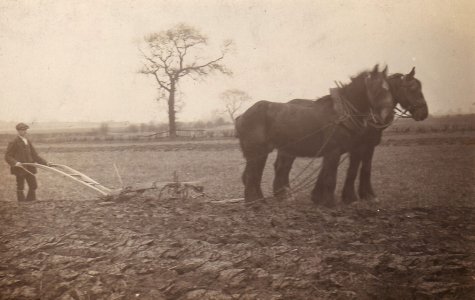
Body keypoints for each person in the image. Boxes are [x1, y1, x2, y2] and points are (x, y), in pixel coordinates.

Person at [4, 123, 51, 202]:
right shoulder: (14, 142)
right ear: (18, 131)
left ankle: (30, 202)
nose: (25, 132)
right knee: (20, 186)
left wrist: (46, 163)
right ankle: (21, 204)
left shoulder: (27, 141)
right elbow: (7, 156)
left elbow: (35, 155)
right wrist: (15, 163)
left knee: (33, 185)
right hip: (20, 168)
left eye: (26, 130)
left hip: (30, 167)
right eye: (23, 130)